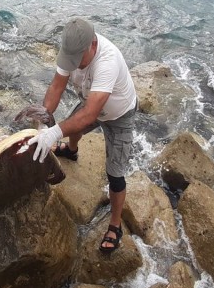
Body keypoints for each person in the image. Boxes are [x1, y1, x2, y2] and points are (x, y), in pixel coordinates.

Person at [28, 18, 137, 253]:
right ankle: (72, 150)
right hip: (90, 103)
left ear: (93, 45)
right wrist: (44, 122)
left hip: (119, 115)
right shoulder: (71, 49)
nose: (74, 64)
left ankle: (115, 225)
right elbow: (56, 86)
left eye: (78, 59)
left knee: (115, 175)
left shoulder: (107, 61)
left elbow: (90, 114)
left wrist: (55, 132)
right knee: (73, 128)